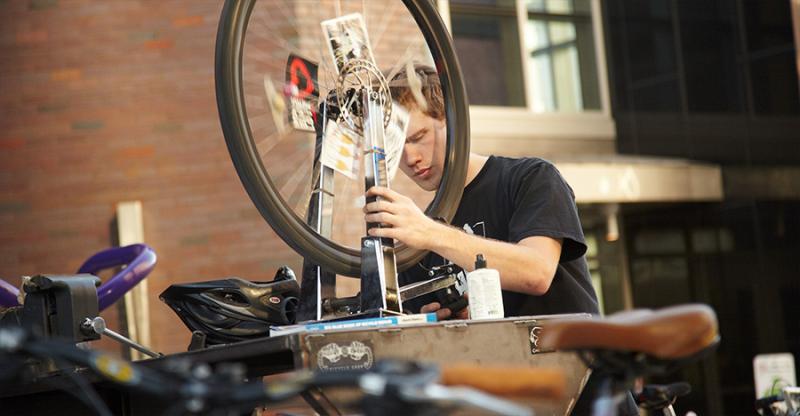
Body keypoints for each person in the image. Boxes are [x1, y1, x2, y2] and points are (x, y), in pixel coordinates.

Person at [363, 63, 638, 415]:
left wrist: (431, 233)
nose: (411, 158)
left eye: (418, 137)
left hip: (587, 402)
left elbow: (536, 271)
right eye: (397, 149)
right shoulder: (417, 234)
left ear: (454, 121)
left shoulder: (530, 179)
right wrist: (436, 327)